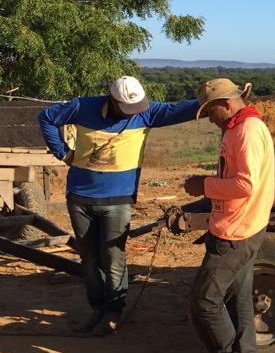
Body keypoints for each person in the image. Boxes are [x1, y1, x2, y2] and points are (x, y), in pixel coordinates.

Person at [37, 76, 199, 335]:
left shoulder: (147, 113)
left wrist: (216, 98)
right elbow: (46, 117)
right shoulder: (82, 107)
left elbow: (184, 109)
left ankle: (113, 312)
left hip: (118, 200)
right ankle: (97, 309)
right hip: (79, 197)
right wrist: (62, 151)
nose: (131, 114)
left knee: (113, 258)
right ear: (112, 100)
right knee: (89, 260)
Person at [183, 78, 275, 353]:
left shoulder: (246, 131)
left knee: (205, 300)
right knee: (239, 300)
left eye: (210, 113)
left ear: (225, 104)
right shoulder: (242, 128)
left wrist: (204, 185)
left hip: (236, 230)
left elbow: (244, 186)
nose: (210, 120)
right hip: (244, 225)